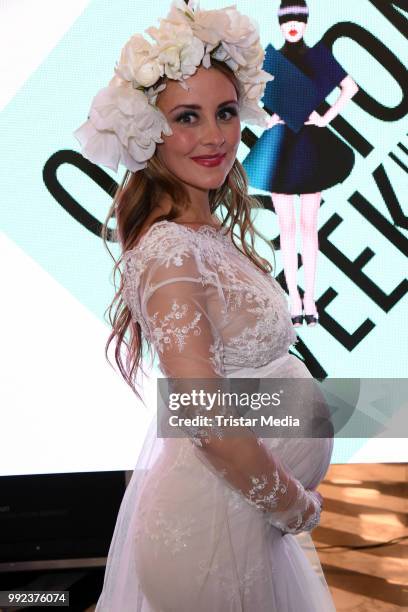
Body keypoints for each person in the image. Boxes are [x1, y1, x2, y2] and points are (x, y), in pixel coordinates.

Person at [73, 1, 335, 610]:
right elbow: (206, 416)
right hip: (214, 535)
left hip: (242, 518)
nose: (215, 136)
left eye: (223, 113)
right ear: (150, 133)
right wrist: (295, 505)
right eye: (187, 118)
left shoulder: (202, 234)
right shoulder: (169, 250)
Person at [243, 0, 359, 327]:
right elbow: (243, 95)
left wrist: (325, 119)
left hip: (308, 145)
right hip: (281, 146)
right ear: (279, 23)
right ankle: (294, 296)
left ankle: (310, 296)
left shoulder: (318, 56)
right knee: (288, 227)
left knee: (308, 227)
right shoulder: (269, 60)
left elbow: (350, 88)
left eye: (298, 18)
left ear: (306, 21)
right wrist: (266, 120)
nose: (293, 24)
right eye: (287, 19)